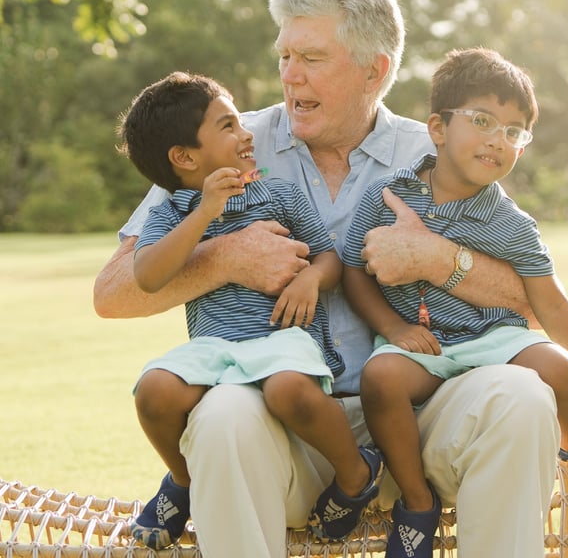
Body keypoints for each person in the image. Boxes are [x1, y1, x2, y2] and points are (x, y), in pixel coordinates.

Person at [93, 0, 560, 558]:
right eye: (285, 56)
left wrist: (438, 258)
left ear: (375, 70)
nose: (291, 76)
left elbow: (532, 300)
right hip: (283, 423)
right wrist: (226, 257)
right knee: (224, 414)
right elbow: (112, 294)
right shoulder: (224, 146)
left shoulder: (445, 151)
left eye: (312, 59)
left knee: (521, 397)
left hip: (421, 416)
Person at [342, 47, 568, 557]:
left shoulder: (512, 223)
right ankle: (416, 504)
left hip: (492, 339)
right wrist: (392, 330)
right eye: (482, 120)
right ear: (438, 129)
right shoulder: (388, 195)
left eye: (513, 131)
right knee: (381, 380)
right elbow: (354, 271)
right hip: (421, 346)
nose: (497, 140)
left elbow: (551, 305)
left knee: (561, 369)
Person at [118, 71, 384, 549]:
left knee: (289, 392)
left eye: (240, 123)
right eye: (227, 126)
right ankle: (185, 480)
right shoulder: (173, 212)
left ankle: (354, 473)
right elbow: (148, 276)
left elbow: (328, 259)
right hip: (216, 347)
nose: (245, 135)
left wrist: (308, 279)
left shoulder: (276, 194)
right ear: (184, 157)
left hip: (280, 337)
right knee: (153, 391)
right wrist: (204, 212)